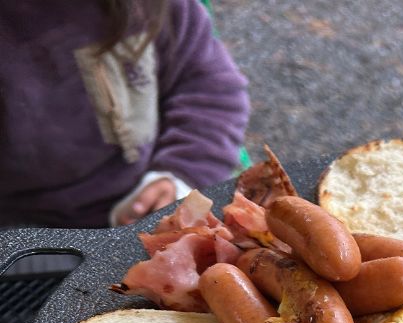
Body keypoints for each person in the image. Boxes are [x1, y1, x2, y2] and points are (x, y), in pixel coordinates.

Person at [0, 0, 250, 228]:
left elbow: (209, 89)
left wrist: (179, 175)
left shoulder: (161, 8)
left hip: (157, 185)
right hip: (27, 226)